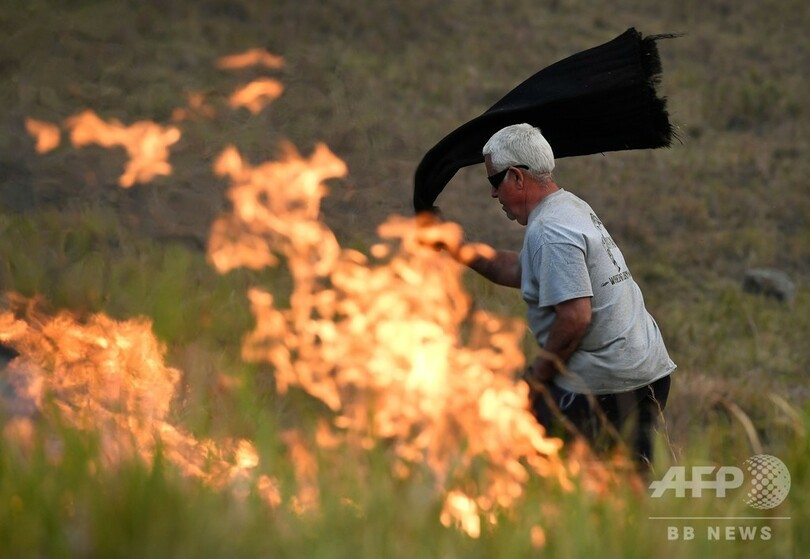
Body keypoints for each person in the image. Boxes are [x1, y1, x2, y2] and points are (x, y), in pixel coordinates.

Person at [443, 123, 676, 469]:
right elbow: (516, 270)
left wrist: (538, 376)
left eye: (495, 182)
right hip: (647, 370)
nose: (493, 194)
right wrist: (454, 246)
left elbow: (575, 317)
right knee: (628, 484)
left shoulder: (550, 230)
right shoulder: (568, 207)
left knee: (527, 449)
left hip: (610, 383)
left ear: (518, 178)